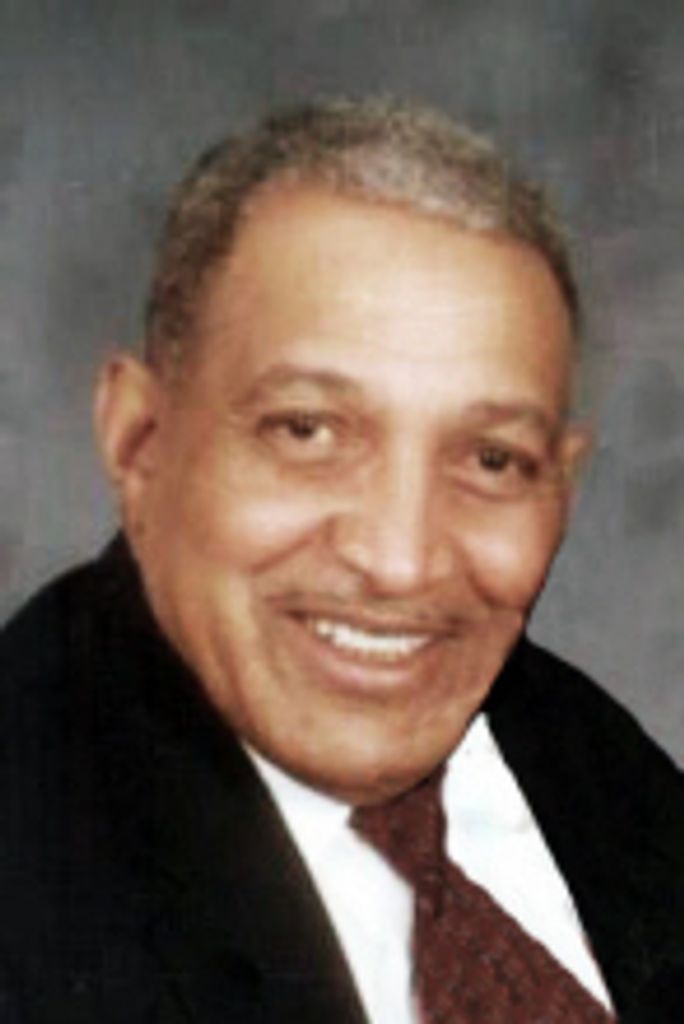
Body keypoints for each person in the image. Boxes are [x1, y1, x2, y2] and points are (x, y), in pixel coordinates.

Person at [0, 98, 682, 1024]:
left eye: (492, 460)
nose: (400, 563)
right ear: (140, 441)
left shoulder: (597, 763)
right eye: (307, 431)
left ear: (561, 484)